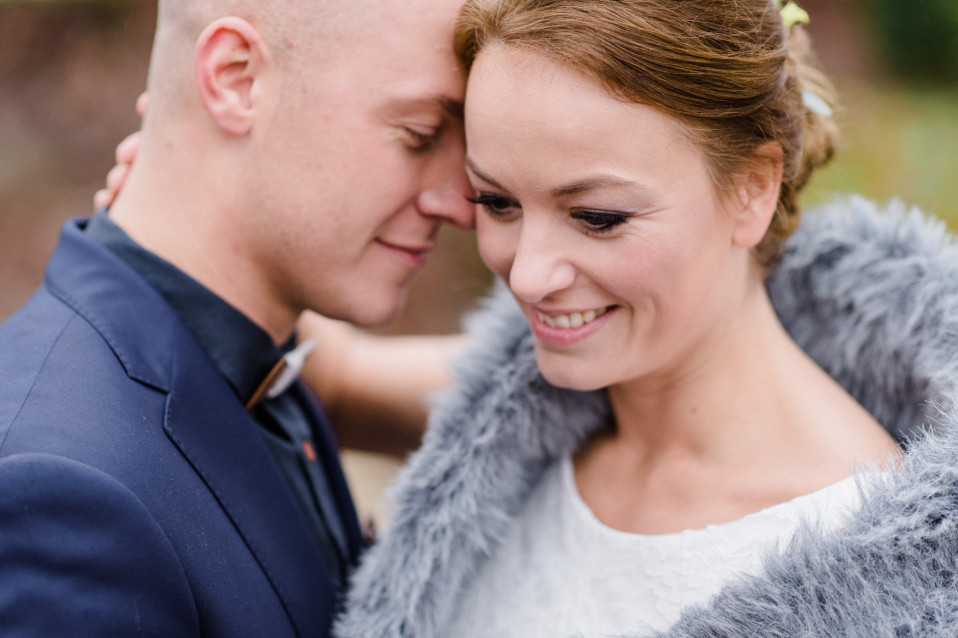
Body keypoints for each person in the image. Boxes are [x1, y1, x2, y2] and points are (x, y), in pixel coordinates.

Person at [332, 1, 958, 636]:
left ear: (753, 188)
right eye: (496, 202)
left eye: (597, 217)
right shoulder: (503, 416)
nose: (527, 276)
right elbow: (324, 371)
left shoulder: (876, 578)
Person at [0, 0, 474, 634]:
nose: (460, 205)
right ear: (236, 79)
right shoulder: (64, 494)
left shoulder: (267, 358)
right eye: (420, 133)